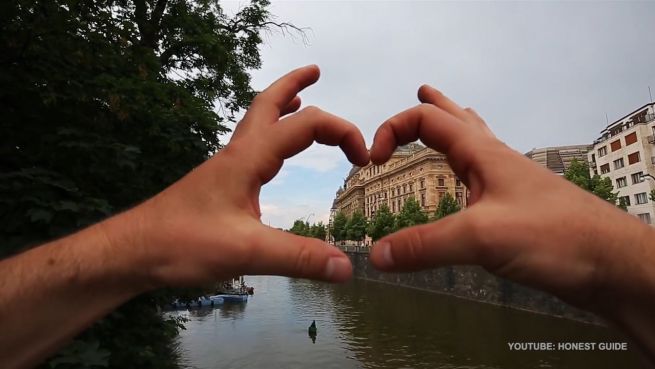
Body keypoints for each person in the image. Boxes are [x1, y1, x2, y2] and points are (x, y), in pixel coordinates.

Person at [0, 65, 653, 368]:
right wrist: (612, 258)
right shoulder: (374, 182)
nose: (415, 179)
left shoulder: (414, 170)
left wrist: (127, 247)